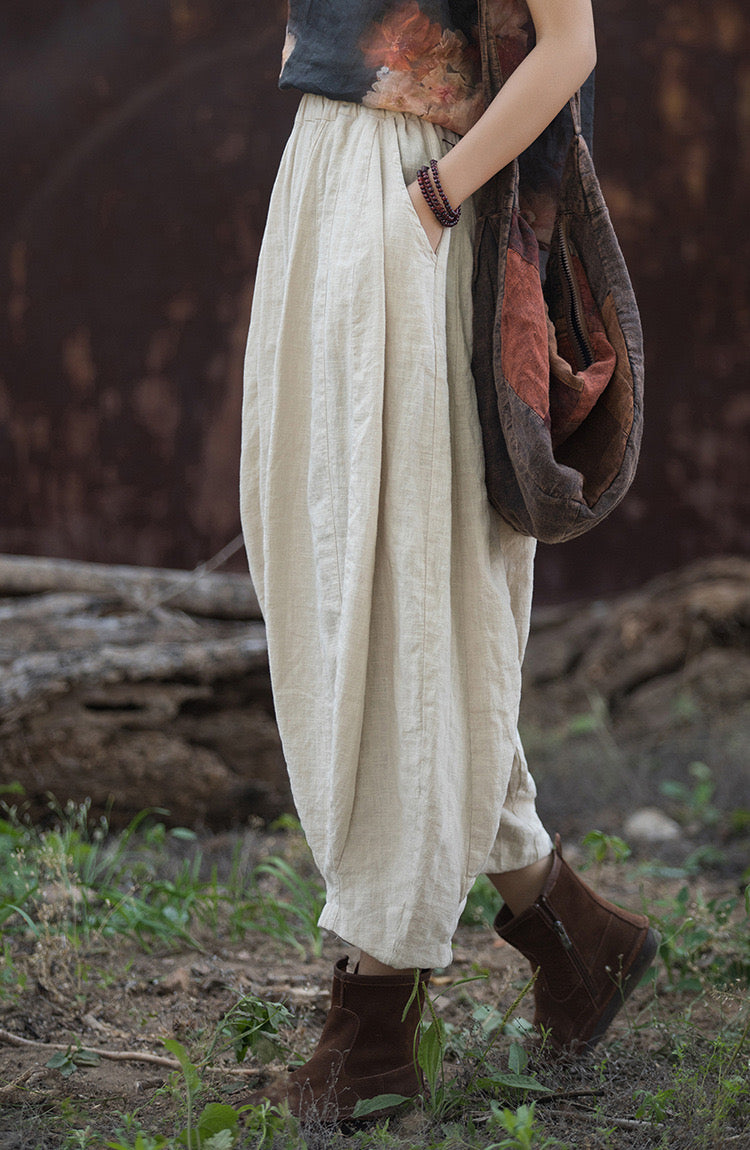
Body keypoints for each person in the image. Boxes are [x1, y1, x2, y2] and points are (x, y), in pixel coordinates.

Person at [239, 0, 658, 1124]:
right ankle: (572, 933)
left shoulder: (427, 194)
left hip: (420, 191)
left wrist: (433, 198)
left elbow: (569, 47)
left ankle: (377, 1022)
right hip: (326, 168)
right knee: (330, 555)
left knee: (405, 582)